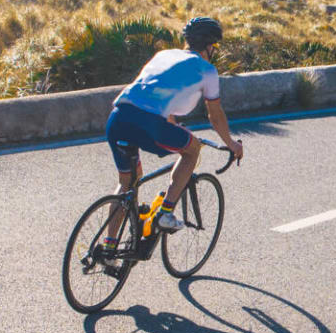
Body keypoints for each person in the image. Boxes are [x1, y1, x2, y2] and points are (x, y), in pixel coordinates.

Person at [103, 16, 244, 239]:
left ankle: (109, 245)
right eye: (214, 46)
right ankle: (166, 213)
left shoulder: (163, 55)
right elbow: (215, 116)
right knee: (192, 149)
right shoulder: (207, 71)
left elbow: (154, 97)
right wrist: (232, 144)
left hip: (117, 117)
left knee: (128, 184)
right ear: (209, 46)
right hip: (147, 122)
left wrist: (173, 126)